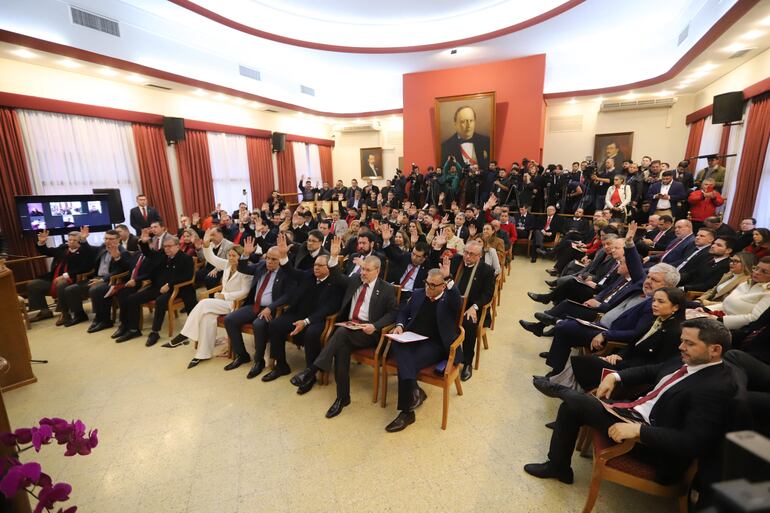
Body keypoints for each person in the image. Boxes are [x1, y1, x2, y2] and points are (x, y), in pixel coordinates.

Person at [524, 318, 738, 488]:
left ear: (715, 350)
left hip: (652, 444)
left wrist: (639, 431)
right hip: (635, 414)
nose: (681, 347)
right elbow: (652, 370)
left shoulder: (716, 388)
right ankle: (559, 466)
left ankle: (561, 392)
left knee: (576, 403)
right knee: (573, 406)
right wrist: (615, 376)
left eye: (689, 343)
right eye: (682, 341)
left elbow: (693, 442)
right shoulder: (691, 359)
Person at [290, 236, 397, 417]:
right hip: (348, 328)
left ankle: (312, 370)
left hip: (368, 332)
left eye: (367, 270)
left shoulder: (386, 289)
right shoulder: (355, 280)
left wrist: (375, 326)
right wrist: (333, 257)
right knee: (341, 349)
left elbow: (393, 313)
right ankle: (342, 398)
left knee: (340, 333)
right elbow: (337, 277)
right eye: (362, 269)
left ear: (377, 271)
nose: (363, 273)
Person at [536, 287, 687, 394]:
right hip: (626, 361)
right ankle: (560, 387)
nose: (654, 304)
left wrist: (623, 363)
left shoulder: (675, 332)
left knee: (585, 362)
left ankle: (561, 389)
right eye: (654, 300)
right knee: (585, 360)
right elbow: (635, 343)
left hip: (635, 373)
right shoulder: (657, 320)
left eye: (661, 302)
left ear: (675, 307)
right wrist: (619, 355)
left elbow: (656, 364)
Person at [385, 268, 463, 432]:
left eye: (433, 285)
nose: (428, 288)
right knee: (396, 344)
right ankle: (415, 390)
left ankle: (407, 412)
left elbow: (458, 301)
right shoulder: (419, 293)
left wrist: (449, 278)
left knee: (407, 362)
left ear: (443, 286)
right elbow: (403, 312)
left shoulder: (449, 300)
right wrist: (400, 326)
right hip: (412, 338)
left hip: (434, 345)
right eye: (427, 283)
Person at [166, 229, 252, 368]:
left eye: (234, 256)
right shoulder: (227, 265)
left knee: (204, 303)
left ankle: (184, 335)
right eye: (229, 255)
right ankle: (202, 354)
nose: (231, 258)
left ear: (240, 257)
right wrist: (206, 245)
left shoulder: (246, 270)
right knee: (207, 318)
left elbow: (245, 292)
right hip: (221, 302)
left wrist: (226, 295)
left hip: (234, 305)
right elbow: (211, 258)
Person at [263, 235, 343, 383]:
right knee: (275, 325)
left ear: (329, 268)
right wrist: (283, 256)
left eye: (320, 266)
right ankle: (281, 366)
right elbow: (291, 272)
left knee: (312, 334)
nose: (316, 268)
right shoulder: (309, 275)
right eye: (315, 265)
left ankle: (309, 373)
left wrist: (306, 321)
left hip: (318, 319)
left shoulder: (335, 283)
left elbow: (328, 308)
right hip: (298, 313)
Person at [221, 241, 293, 378]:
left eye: (274, 259)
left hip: (271, 309)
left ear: (281, 260)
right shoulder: (261, 265)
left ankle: (258, 361)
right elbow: (243, 268)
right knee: (229, 319)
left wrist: (270, 307)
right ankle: (242, 355)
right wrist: (245, 254)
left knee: (258, 324)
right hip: (254, 306)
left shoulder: (286, 272)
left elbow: (288, 296)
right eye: (268, 258)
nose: (269, 261)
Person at [114, 232, 198, 346]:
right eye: (165, 246)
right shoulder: (162, 255)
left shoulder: (185, 258)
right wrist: (143, 244)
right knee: (132, 298)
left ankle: (155, 332)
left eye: (169, 246)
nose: (167, 249)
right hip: (158, 287)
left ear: (177, 246)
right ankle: (134, 330)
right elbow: (149, 254)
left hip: (177, 289)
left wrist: (169, 285)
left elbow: (187, 276)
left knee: (160, 301)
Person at [443, 240, 496, 381]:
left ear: (479, 256)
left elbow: (488, 294)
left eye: (472, 254)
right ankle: (443, 355)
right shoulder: (456, 261)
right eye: (466, 252)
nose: (467, 256)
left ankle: (467, 362)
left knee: (469, 323)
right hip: (452, 302)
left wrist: (475, 307)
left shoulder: (487, 270)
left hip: (471, 307)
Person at [27, 228, 95, 324]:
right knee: (33, 284)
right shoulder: (63, 248)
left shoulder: (84, 251)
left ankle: (65, 313)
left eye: (74, 240)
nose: (71, 242)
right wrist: (41, 242)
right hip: (54, 278)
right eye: (70, 240)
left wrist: (66, 275)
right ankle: (44, 311)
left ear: (79, 241)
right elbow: (46, 251)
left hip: (73, 279)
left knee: (61, 284)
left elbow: (86, 267)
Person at [694, 256, 770, 330]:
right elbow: (726, 304)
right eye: (756, 268)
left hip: (732, 328)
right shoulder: (746, 283)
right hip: (717, 316)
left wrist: (719, 319)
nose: (757, 272)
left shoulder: (767, 293)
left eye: (765, 272)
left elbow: (754, 318)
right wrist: (706, 310)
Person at [81, 230, 127, 332]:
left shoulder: (122, 251)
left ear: (118, 239)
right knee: (73, 288)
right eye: (106, 238)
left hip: (112, 280)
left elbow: (120, 270)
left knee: (95, 290)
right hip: (97, 277)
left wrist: (102, 279)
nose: (107, 241)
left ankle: (104, 320)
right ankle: (84, 316)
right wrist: (84, 240)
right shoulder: (103, 247)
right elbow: (89, 251)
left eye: (111, 239)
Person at [380, 224, 430, 303]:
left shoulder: (427, 267)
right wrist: (386, 241)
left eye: (418, 256)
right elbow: (392, 255)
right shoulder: (406, 256)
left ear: (425, 258)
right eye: (413, 254)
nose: (414, 257)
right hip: (395, 289)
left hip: (410, 296)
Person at [440, 106, 490, 170]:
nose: (468, 125)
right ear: (455, 124)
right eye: (463, 121)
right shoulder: (445, 147)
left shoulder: (486, 142)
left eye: (471, 120)